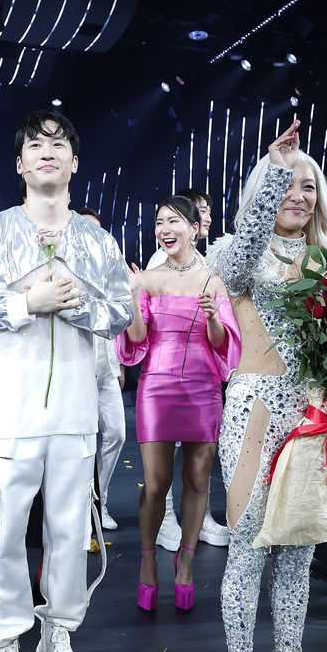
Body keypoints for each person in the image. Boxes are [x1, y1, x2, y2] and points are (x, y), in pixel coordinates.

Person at [0, 111, 132, 652]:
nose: (48, 152)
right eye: (36, 145)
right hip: (7, 413)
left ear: (75, 164)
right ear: (20, 165)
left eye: (59, 145)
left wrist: (73, 303)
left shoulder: (98, 241)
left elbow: (122, 312)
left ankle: (59, 644)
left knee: (69, 533)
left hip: (75, 414)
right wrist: (27, 301)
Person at [210, 121, 327, 652]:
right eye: (288, 186)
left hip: (312, 415)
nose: (300, 195)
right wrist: (273, 171)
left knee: (298, 551)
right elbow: (242, 258)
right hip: (254, 411)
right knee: (248, 548)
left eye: (309, 186)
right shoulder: (233, 252)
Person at [118, 195, 240, 613]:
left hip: (203, 387)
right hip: (156, 385)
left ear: (194, 227)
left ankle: (185, 561)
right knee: (155, 483)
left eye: (173, 221)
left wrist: (211, 318)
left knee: (198, 478)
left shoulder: (214, 281)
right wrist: (134, 296)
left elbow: (223, 343)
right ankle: (149, 559)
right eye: (159, 222)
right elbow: (135, 340)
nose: (164, 229)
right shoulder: (148, 279)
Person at [146, 186, 232, 550]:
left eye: (207, 210)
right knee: (161, 470)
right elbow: (141, 331)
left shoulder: (214, 268)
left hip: (203, 379)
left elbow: (223, 335)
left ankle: (199, 528)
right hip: (162, 378)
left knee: (199, 469)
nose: (207, 216)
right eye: (162, 221)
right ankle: (165, 522)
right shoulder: (155, 268)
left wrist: (214, 321)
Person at [77, 207, 126, 531]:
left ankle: (100, 502)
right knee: (82, 443)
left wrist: (119, 364)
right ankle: (82, 509)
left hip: (107, 366)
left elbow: (117, 320)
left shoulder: (109, 268)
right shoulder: (67, 268)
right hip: (78, 368)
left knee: (117, 434)